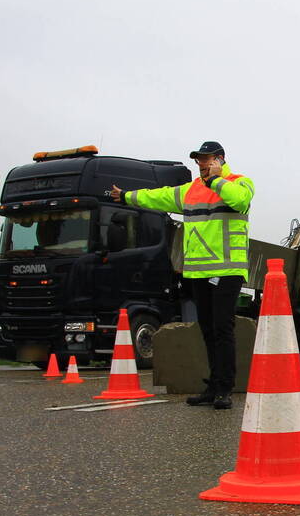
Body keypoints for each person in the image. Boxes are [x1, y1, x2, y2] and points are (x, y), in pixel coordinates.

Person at [108, 141, 254, 410]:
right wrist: (127, 196)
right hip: (198, 271)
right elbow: (158, 196)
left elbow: (241, 201)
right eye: (199, 160)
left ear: (220, 160)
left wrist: (217, 180)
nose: (201, 164)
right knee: (208, 331)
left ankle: (225, 388)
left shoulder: (239, 182)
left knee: (223, 330)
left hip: (227, 270)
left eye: (207, 159)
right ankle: (213, 386)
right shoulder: (190, 190)